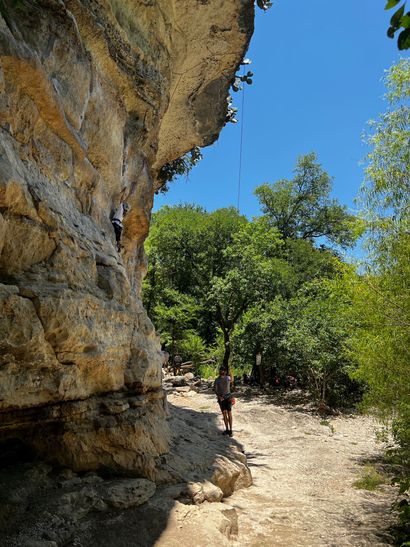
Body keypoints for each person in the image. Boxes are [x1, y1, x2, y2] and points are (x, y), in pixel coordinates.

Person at [213, 367, 233, 436]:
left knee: (228, 413)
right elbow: (215, 389)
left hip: (227, 397)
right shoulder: (219, 379)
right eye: (221, 370)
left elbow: (215, 389)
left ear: (224, 371)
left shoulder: (226, 378)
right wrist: (219, 396)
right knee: (225, 413)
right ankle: (228, 430)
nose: (222, 371)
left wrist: (231, 372)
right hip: (224, 398)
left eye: (223, 370)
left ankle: (230, 430)